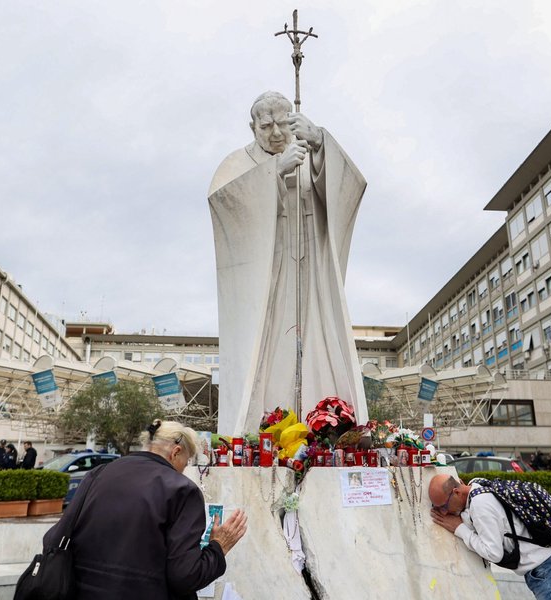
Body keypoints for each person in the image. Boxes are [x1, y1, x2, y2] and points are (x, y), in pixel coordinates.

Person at [208, 91, 369, 435]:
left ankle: (326, 428)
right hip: (267, 280)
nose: (276, 133)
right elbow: (225, 206)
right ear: (253, 127)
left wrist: (321, 143)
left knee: (319, 343)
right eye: (266, 126)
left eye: (283, 123)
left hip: (310, 276)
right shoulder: (236, 164)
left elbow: (351, 187)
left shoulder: (309, 150)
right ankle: (260, 429)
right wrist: (274, 173)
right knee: (266, 354)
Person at [41, 420, 247, 599]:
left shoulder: (99, 473)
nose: (184, 470)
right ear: (176, 453)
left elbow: (53, 538)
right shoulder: (182, 490)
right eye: (185, 463)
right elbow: (185, 576)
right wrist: (219, 547)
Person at [429, 474, 551, 599]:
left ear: (457, 492)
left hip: (545, 568)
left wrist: (459, 529)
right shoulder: (477, 485)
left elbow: (494, 553)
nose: (444, 512)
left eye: (444, 506)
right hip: (547, 562)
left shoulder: (480, 505)